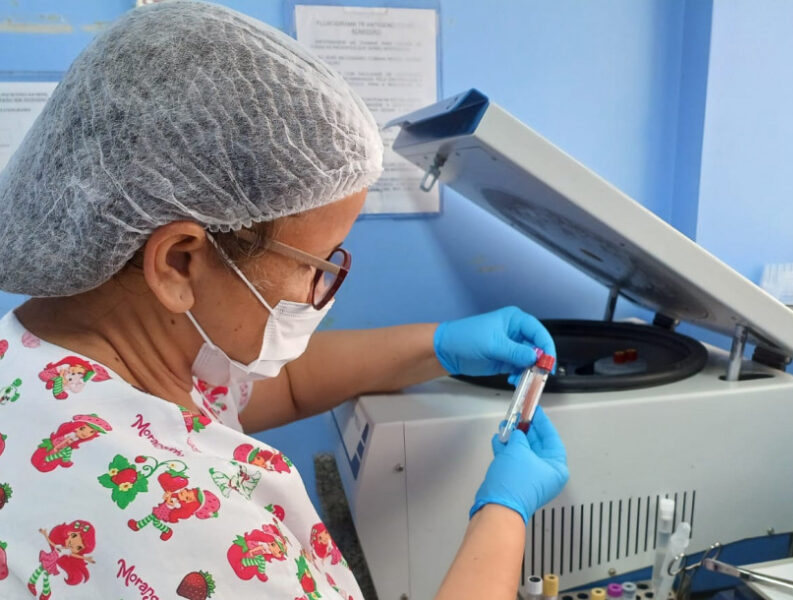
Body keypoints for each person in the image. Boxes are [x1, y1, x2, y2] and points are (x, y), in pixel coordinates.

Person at [0, 2, 569, 599]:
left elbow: (270, 387)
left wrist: (439, 345)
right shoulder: (192, 534)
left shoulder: (48, 362)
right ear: (178, 261)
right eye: (320, 264)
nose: (321, 294)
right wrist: (504, 512)